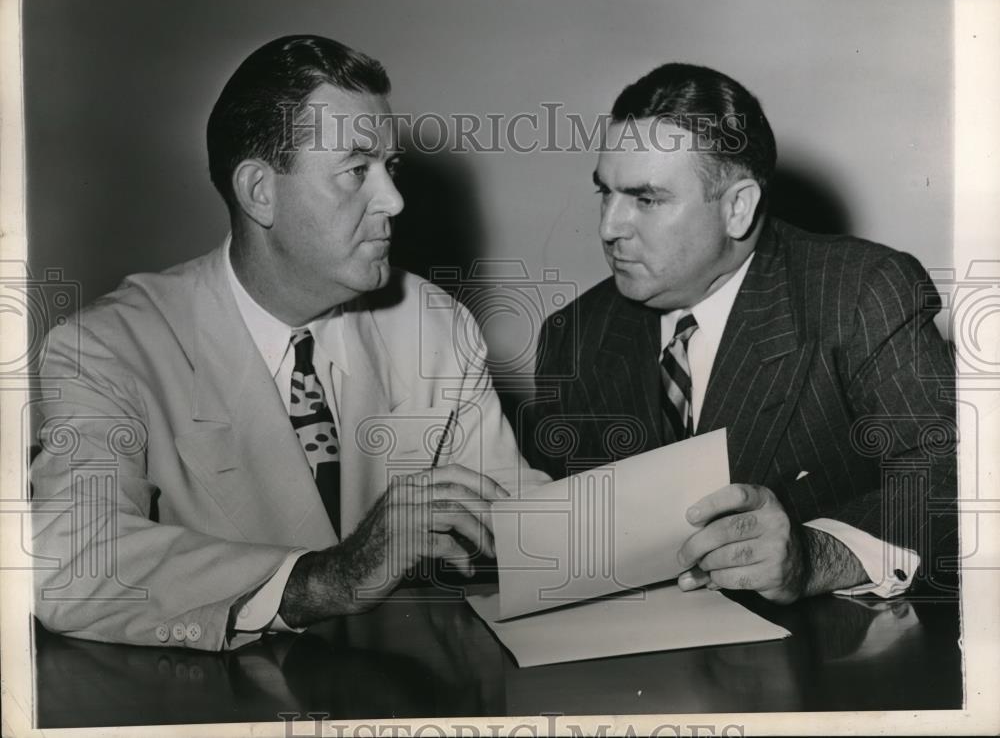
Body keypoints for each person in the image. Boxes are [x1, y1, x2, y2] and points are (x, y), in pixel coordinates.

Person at [31, 34, 546, 650]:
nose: (395, 200)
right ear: (259, 192)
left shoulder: (435, 323)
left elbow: (520, 521)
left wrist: (673, 529)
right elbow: (72, 564)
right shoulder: (105, 349)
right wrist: (326, 580)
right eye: (357, 171)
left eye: (391, 167)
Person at [526, 63, 956, 603]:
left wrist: (814, 556)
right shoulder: (574, 335)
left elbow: (951, 480)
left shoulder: (860, 293)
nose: (609, 227)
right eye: (604, 194)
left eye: (646, 200)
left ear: (737, 207)